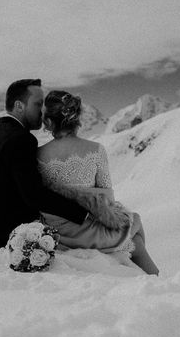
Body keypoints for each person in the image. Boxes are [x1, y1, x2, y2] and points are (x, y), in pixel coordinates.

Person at [0, 79, 127, 249]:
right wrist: (83, 214)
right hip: (17, 237)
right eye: (38, 104)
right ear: (19, 106)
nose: (43, 111)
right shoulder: (22, 139)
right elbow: (34, 195)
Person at [37, 90, 159, 275]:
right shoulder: (95, 150)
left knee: (132, 231)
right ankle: (152, 275)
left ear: (48, 122)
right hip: (92, 232)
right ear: (77, 118)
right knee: (136, 224)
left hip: (55, 233)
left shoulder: (38, 154)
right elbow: (107, 198)